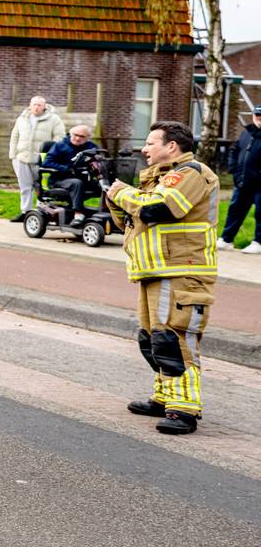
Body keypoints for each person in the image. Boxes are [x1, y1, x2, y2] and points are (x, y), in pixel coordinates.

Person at [107, 121, 219, 435]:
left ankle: (184, 410)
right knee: (153, 339)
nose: (144, 149)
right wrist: (111, 196)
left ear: (172, 146)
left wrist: (123, 193)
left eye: (151, 142)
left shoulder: (191, 173)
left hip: (183, 271)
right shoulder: (158, 179)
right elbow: (132, 221)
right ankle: (165, 396)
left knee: (174, 339)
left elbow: (161, 208)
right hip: (154, 270)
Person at [8, 96, 66, 222]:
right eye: (34, 104)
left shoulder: (54, 119)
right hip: (22, 158)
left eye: (39, 105)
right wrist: (13, 155)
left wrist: (50, 153)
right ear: (30, 105)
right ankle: (25, 212)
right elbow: (14, 137)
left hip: (42, 160)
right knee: (24, 187)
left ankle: (41, 212)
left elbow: (60, 138)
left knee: (40, 187)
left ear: (44, 106)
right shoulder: (22, 119)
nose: (36, 107)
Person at [217, 105, 261, 255]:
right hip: (242, 182)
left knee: (260, 213)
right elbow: (234, 151)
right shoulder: (247, 133)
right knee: (235, 210)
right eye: (257, 114)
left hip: (259, 185)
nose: (259, 117)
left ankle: (258, 242)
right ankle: (226, 240)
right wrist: (234, 171)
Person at [41, 125, 100, 227]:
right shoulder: (60, 146)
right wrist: (66, 169)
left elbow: (99, 160)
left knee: (107, 185)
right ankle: (78, 215)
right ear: (70, 134)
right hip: (60, 180)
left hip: (84, 179)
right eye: (75, 135)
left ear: (87, 138)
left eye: (82, 136)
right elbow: (47, 163)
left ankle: (107, 213)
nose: (77, 138)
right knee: (77, 183)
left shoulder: (91, 147)